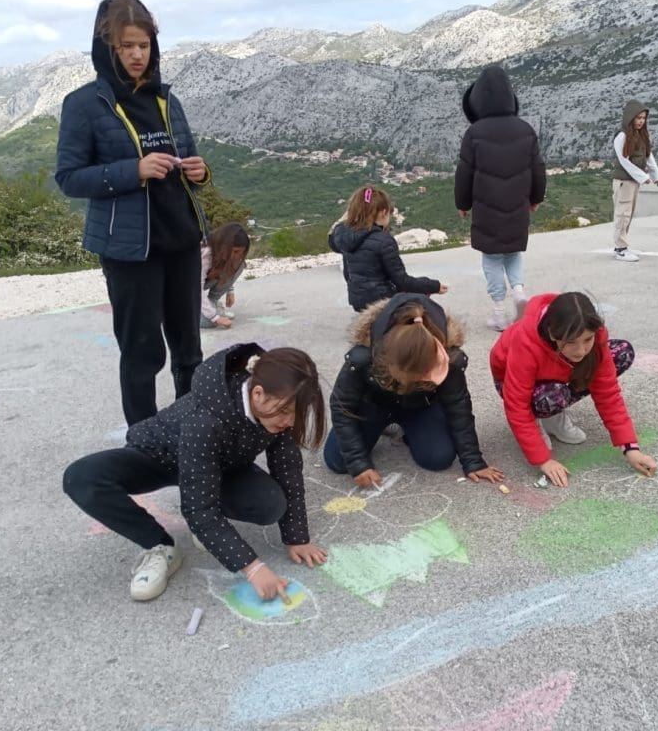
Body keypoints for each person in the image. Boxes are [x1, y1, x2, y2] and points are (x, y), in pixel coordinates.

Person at [63, 344, 327, 602]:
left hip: (216, 467)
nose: (290, 422)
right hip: (160, 456)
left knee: (270, 504)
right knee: (82, 478)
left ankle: (207, 528)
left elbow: (288, 470)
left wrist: (297, 538)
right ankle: (160, 546)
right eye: (285, 412)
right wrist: (254, 568)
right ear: (258, 394)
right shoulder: (206, 420)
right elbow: (199, 509)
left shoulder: (279, 413)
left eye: (297, 415)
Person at [56, 0, 211, 425]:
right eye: (126, 46)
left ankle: (190, 429)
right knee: (143, 351)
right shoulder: (85, 104)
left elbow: (190, 160)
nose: (137, 54)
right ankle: (144, 440)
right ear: (108, 49)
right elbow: (69, 178)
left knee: (189, 349)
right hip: (129, 251)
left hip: (180, 240)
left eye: (143, 44)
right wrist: (134, 170)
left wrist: (200, 173)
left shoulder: (167, 100)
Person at [323, 293, 503, 487]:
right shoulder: (363, 357)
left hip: (419, 408)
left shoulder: (448, 359)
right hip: (372, 408)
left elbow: (458, 407)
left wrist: (473, 461)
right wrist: (358, 463)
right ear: (384, 360)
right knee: (339, 462)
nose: (410, 383)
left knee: (438, 459)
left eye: (421, 379)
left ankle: (406, 430)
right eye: (404, 378)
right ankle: (386, 426)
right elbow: (342, 407)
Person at [489, 291, 658, 488]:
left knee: (621, 352)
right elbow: (516, 405)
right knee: (551, 396)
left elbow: (608, 392)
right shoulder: (525, 341)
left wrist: (630, 447)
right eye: (571, 342)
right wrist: (543, 459)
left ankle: (553, 412)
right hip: (513, 381)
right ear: (553, 334)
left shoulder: (595, 335)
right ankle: (543, 415)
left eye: (588, 339)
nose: (580, 350)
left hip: (559, 372)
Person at [454, 65, 547, 331]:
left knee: (492, 257)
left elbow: (464, 172)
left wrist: (463, 203)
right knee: (513, 251)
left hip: (486, 208)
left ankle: (498, 312)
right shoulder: (525, 129)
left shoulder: (474, 133)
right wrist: (535, 197)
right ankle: (518, 292)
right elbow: (538, 169)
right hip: (517, 205)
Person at [329, 186, 445, 312]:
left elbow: (348, 275)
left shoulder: (344, 239)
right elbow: (402, 281)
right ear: (384, 212)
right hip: (384, 300)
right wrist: (433, 286)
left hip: (357, 302)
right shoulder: (384, 240)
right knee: (426, 307)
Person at [610, 100, 658, 263]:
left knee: (628, 214)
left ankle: (623, 245)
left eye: (643, 118)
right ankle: (620, 249)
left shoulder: (641, 135)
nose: (641, 121)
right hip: (624, 182)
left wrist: (655, 174)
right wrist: (642, 176)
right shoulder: (622, 136)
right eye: (638, 118)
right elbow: (624, 161)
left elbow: (648, 156)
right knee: (622, 214)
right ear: (630, 118)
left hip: (634, 182)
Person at [201, 222, 250, 329]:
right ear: (224, 245)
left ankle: (211, 303)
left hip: (197, 287)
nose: (238, 255)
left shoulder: (222, 253)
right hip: (180, 291)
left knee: (239, 264)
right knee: (209, 323)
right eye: (235, 251)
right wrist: (214, 317)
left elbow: (226, 268)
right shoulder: (206, 252)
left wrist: (230, 290)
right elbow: (195, 288)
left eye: (241, 252)